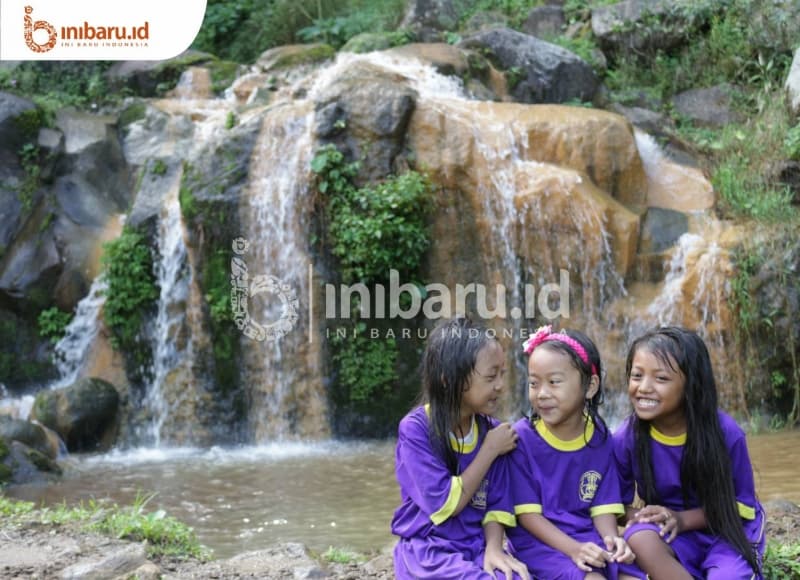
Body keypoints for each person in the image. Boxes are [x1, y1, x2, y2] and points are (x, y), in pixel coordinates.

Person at [614, 326, 765, 579]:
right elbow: (612, 505)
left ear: (691, 385)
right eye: (637, 375)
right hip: (671, 533)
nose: (644, 387)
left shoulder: (726, 433)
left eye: (660, 378)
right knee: (639, 538)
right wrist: (651, 516)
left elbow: (742, 507)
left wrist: (682, 519)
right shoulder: (628, 437)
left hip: (727, 531)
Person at [391, 317, 529, 580]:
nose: (500, 385)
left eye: (502, 374)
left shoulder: (493, 432)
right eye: (491, 376)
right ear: (448, 379)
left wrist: (493, 549)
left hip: (476, 546)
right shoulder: (416, 430)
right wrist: (488, 450)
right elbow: (444, 503)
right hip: (429, 550)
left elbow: (497, 503)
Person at [502, 325, 642, 580]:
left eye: (554, 382)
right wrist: (573, 550)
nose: (542, 393)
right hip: (540, 544)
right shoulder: (521, 439)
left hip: (587, 535)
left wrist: (612, 540)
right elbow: (528, 517)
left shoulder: (599, 436)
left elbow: (602, 505)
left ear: (590, 386)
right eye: (534, 383)